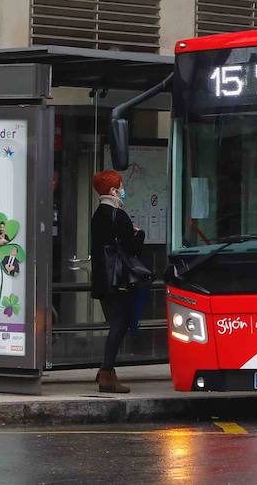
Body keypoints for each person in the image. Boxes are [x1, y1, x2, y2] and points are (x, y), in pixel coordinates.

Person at [90, 168, 145, 394]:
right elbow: (131, 248)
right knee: (120, 324)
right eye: (120, 186)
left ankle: (107, 372)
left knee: (115, 323)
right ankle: (106, 372)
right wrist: (139, 234)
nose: (123, 190)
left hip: (102, 279)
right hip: (118, 279)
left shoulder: (98, 215)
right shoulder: (117, 215)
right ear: (113, 190)